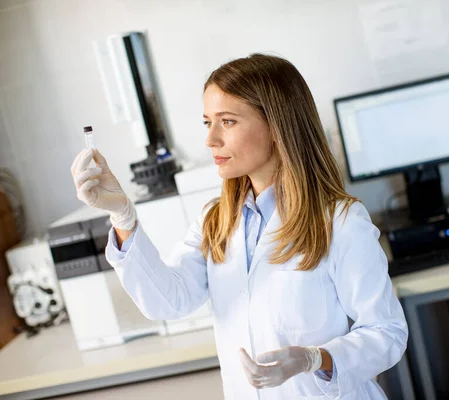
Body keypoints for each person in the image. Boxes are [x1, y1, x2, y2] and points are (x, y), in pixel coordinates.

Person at [71, 53, 408, 399]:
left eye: (227, 121)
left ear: (277, 126)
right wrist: (123, 217)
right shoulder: (215, 222)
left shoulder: (339, 221)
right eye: (207, 122)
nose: (211, 139)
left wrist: (314, 359)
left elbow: (387, 332)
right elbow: (167, 303)